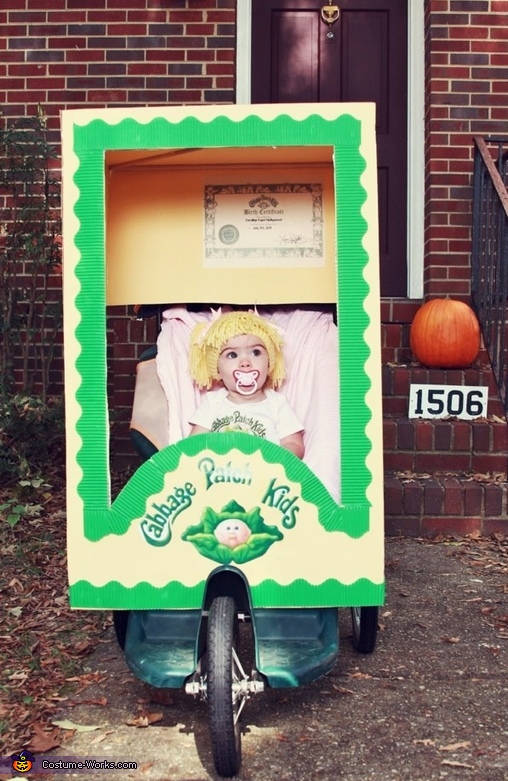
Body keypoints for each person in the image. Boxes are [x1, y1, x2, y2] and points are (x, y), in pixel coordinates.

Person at [188, 310, 305, 458]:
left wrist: (276, 460)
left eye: (255, 353)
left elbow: (295, 444)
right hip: (220, 474)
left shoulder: (277, 404)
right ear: (217, 369)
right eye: (232, 355)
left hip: (263, 476)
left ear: (269, 363)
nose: (245, 363)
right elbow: (193, 445)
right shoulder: (213, 403)